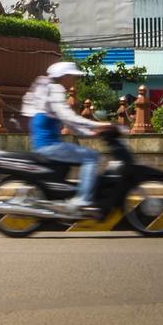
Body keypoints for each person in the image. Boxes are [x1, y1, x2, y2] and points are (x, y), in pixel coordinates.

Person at [22, 61, 113, 215]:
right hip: (49, 146)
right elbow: (68, 116)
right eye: (72, 76)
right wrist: (98, 124)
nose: (74, 80)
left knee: (85, 156)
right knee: (91, 157)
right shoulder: (55, 90)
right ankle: (83, 200)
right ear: (64, 77)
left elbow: (69, 123)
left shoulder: (49, 90)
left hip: (46, 145)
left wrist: (91, 132)